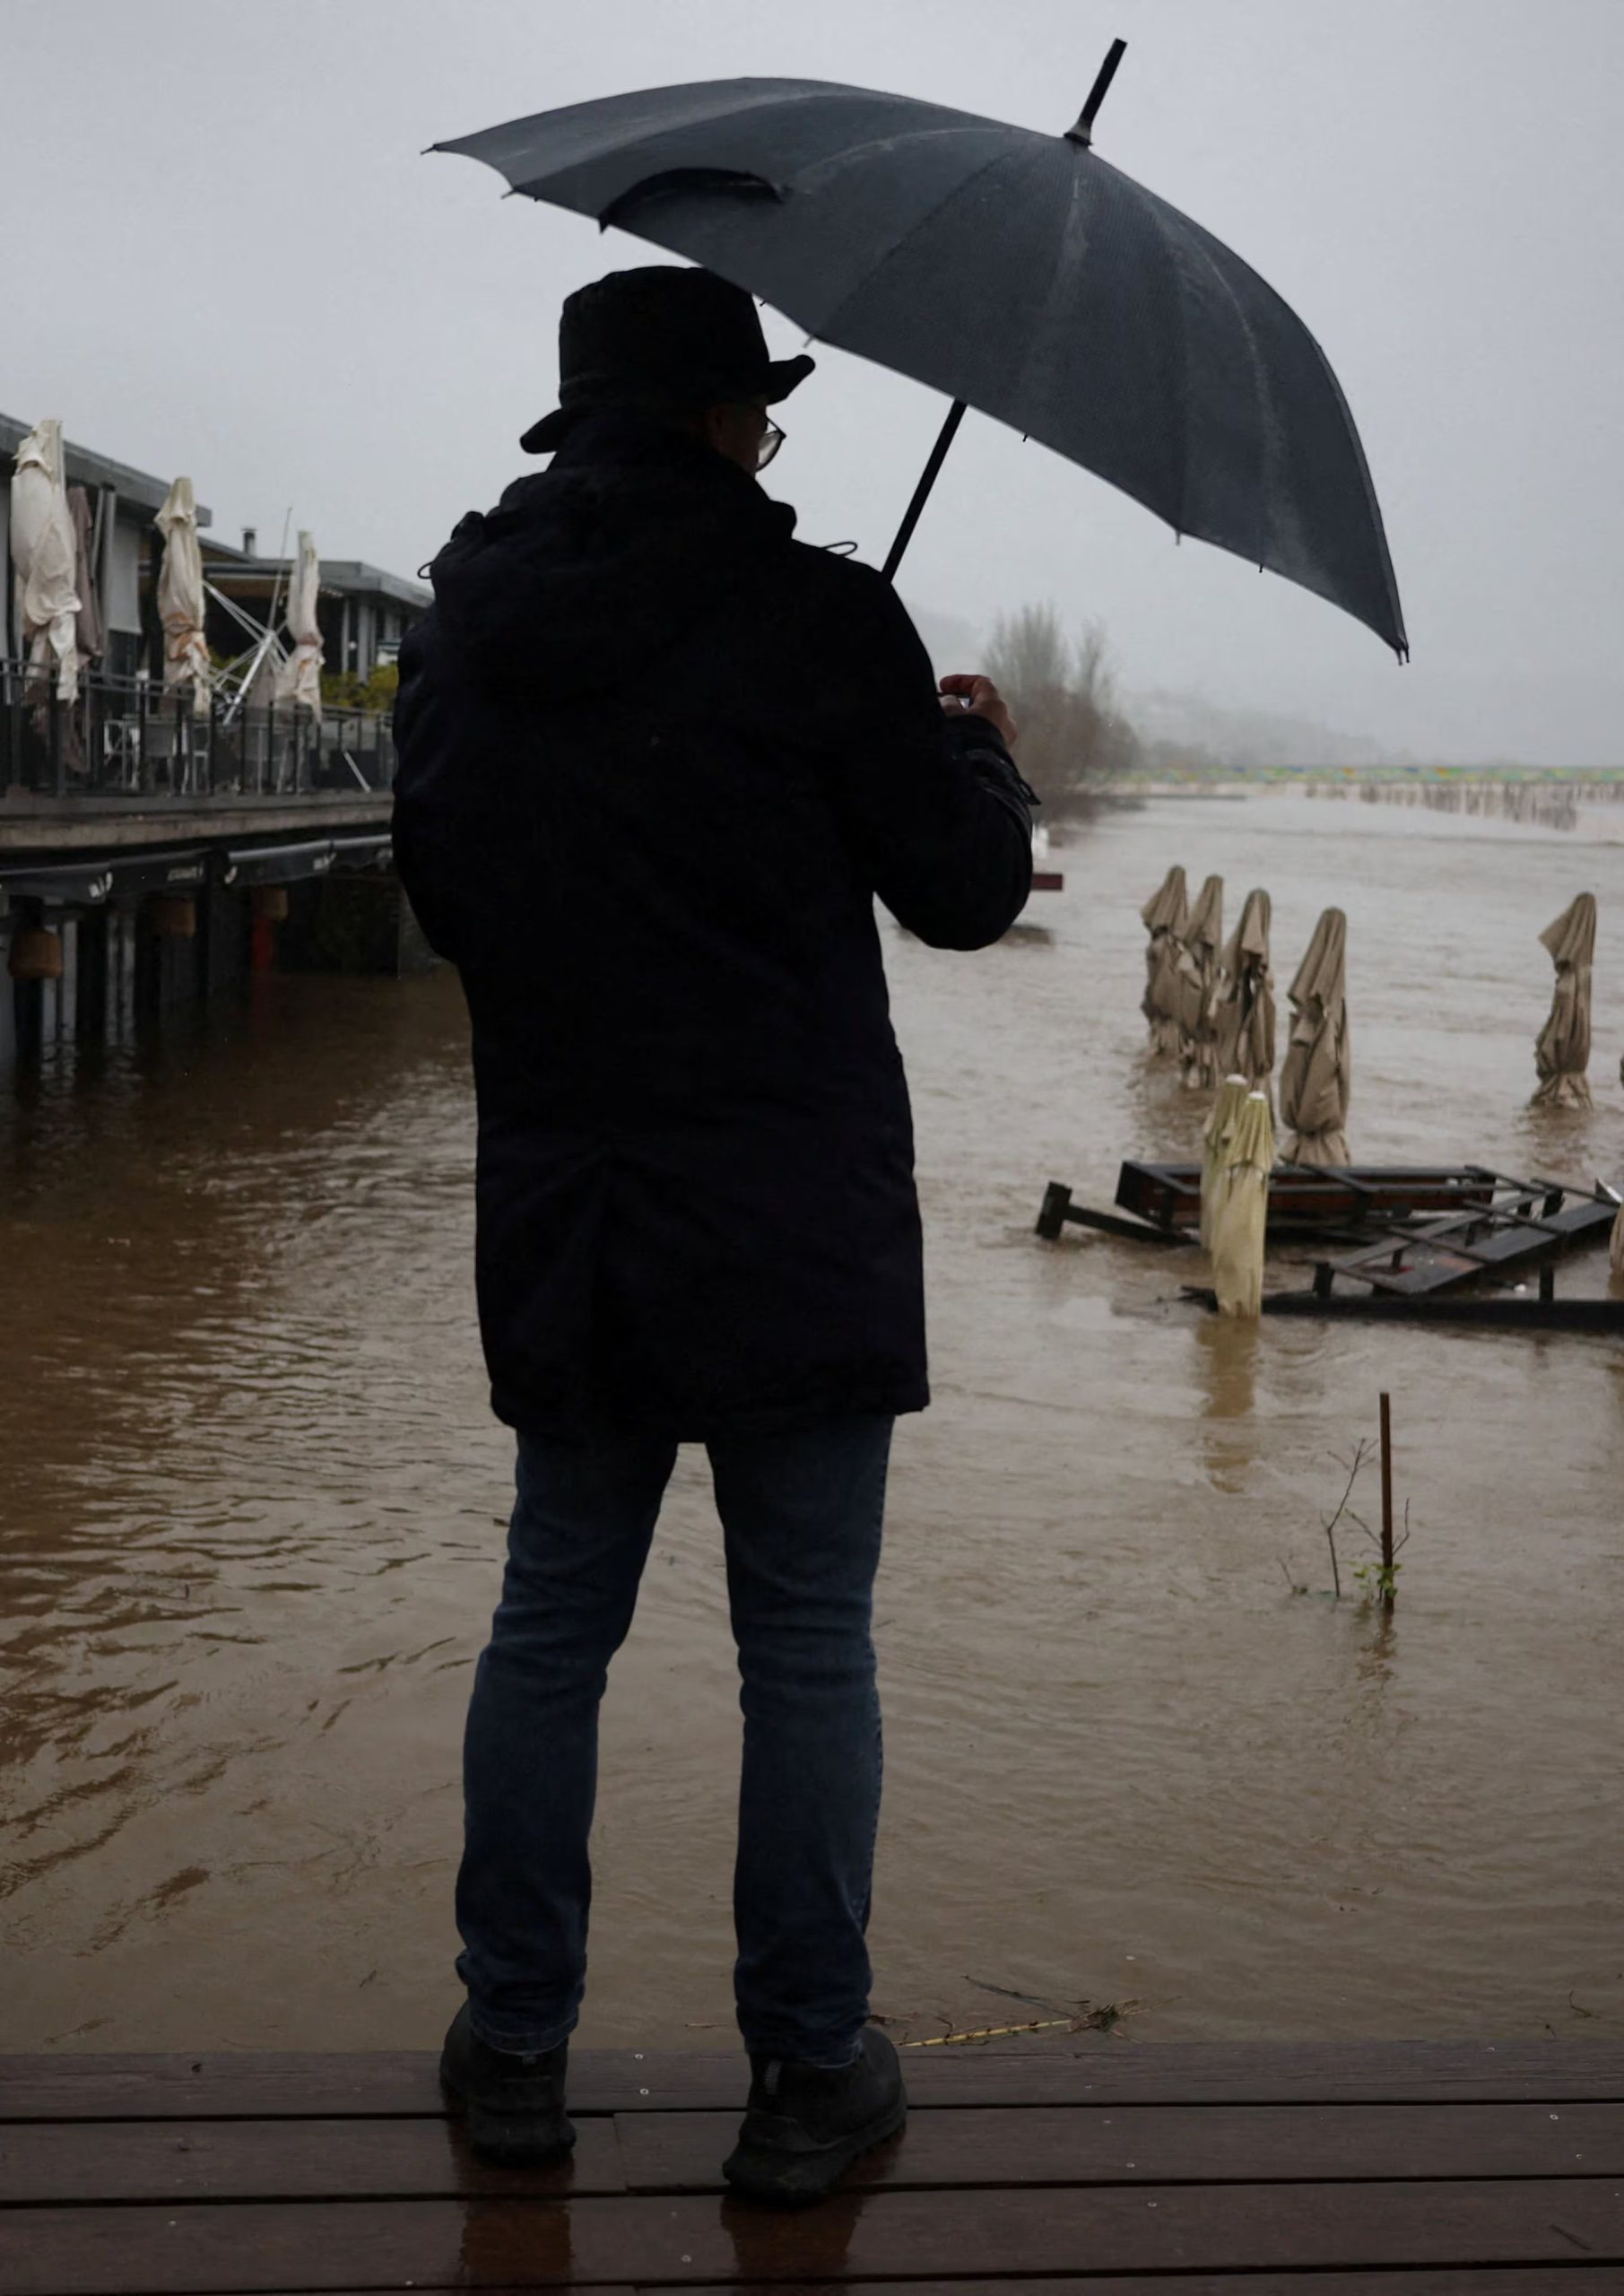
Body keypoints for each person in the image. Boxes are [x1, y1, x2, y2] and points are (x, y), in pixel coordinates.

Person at [391, 265, 1035, 2204]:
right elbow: (964, 890)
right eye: (758, 406)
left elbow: (446, 894)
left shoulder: (472, 632)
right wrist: (974, 747)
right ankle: (808, 2074)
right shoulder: (825, 617)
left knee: (551, 1622)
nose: (770, 434)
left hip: (575, 1209)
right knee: (809, 1650)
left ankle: (513, 2051)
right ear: (719, 420)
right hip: (792, 1223)